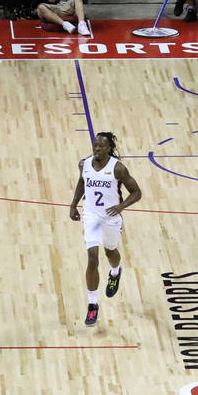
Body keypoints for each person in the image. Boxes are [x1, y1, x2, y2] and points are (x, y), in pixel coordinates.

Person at [68, 132, 142, 327]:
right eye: (95, 145)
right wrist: (73, 204)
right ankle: (93, 305)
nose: (97, 149)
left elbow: (137, 192)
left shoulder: (118, 169)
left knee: (110, 252)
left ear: (109, 148)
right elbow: (82, 183)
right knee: (92, 258)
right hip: (91, 216)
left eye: (101, 146)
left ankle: (116, 271)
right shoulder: (84, 164)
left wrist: (121, 206)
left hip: (111, 217)